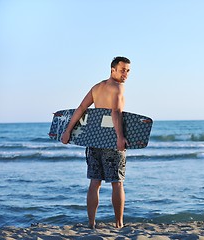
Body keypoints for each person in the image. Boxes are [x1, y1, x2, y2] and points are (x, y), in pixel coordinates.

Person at [61, 56, 131, 229]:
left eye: (128, 71)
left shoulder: (97, 87)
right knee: (117, 182)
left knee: (95, 182)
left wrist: (67, 130)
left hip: (94, 141)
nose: (126, 74)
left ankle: (91, 223)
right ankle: (119, 223)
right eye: (122, 70)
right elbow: (115, 113)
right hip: (111, 141)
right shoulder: (118, 88)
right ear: (112, 69)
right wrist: (120, 137)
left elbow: (81, 108)